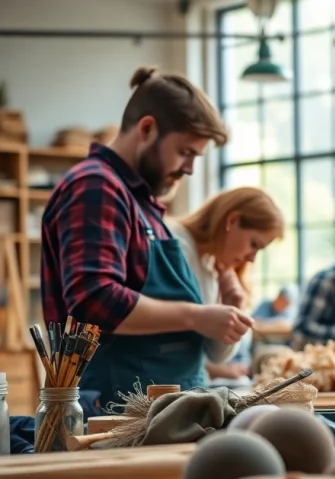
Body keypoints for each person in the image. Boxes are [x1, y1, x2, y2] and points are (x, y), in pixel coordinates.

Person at [40, 67, 253, 406]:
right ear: (147, 129)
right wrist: (196, 315)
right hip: (117, 410)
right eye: (185, 152)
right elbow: (95, 302)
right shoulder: (96, 186)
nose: (189, 168)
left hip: (166, 407)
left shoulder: (141, 202)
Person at [167, 186, 285, 382]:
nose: (252, 259)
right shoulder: (174, 243)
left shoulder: (210, 268)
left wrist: (232, 306)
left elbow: (216, 356)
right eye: (254, 244)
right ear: (232, 221)